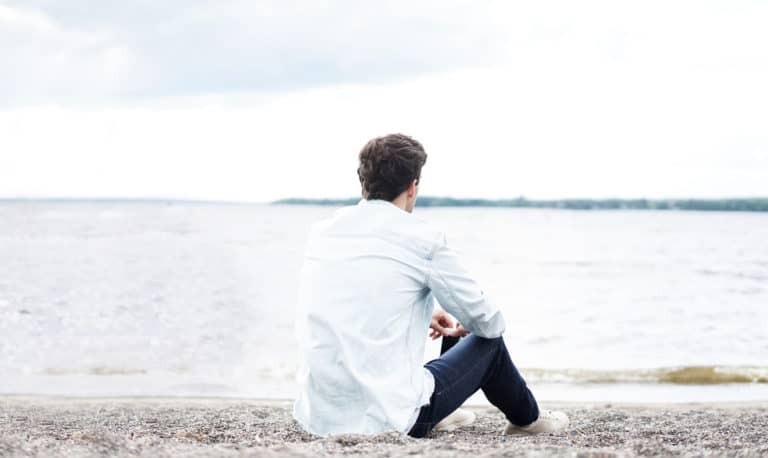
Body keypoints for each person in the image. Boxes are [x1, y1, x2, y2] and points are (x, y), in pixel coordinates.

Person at [292, 133, 569, 438]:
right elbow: (489, 321)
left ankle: (444, 409)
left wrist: (423, 312)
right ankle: (527, 420)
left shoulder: (323, 233)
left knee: (456, 327)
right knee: (490, 344)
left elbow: (353, 302)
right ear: (412, 187)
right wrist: (469, 322)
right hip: (390, 418)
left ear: (364, 181)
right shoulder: (422, 240)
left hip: (319, 415)